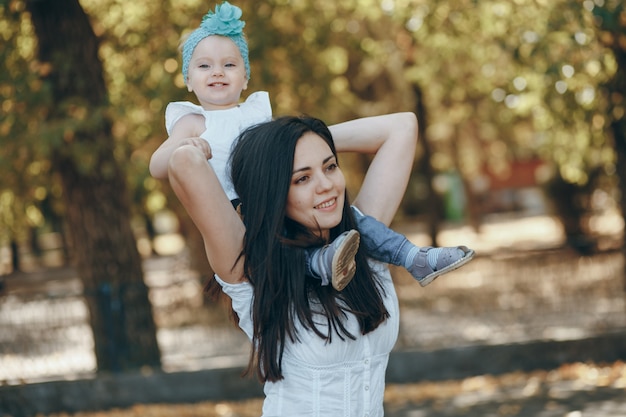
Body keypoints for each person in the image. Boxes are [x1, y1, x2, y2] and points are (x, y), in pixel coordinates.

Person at [149, 1, 473, 291]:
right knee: (269, 250)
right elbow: (159, 165)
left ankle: (412, 256)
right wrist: (189, 147)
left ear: (245, 78)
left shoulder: (256, 112)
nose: (217, 71)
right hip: (241, 211)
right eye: (204, 66)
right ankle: (317, 264)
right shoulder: (192, 121)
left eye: (229, 65)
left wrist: (311, 141)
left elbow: (294, 150)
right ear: (188, 80)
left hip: (279, 197)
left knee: (356, 219)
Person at [167, 113, 432, 416]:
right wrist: (270, 149)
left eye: (330, 166)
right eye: (302, 178)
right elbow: (184, 163)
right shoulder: (252, 269)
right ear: (275, 192)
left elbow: (402, 126)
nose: (326, 185)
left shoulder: (364, 241)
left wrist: (301, 137)